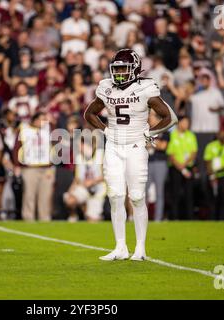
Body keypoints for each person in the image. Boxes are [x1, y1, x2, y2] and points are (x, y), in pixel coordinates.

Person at [84, 49, 177, 261]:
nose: (118, 74)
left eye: (123, 69)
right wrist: (105, 129)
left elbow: (170, 118)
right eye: (116, 69)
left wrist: (150, 132)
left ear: (134, 69)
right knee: (115, 196)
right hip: (114, 146)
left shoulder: (145, 88)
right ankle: (120, 247)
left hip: (135, 145)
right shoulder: (106, 87)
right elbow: (89, 113)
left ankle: (141, 248)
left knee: (136, 196)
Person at [13, 112, 55, 221]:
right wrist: (16, 165)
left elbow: (57, 142)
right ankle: (28, 218)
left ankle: (44, 218)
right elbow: (17, 148)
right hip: (30, 167)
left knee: (45, 196)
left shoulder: (48, 129)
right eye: (41, 119)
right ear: (34, 120)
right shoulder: (24, 130)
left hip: (46, 167)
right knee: (29, 195)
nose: (43, 122)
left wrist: (53, 123)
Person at [166, 116, 198, 220]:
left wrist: (184, 165)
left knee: (189, 194)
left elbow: (194, 152)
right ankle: (174, 217)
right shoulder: (172, 135)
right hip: (175, 168)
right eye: (184, 122)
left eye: (188, 123)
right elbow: (170, 153)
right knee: (175, 193)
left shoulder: (191, 135)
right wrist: (180, 166)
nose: (186, 125)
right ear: (179, 123)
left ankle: (189, 217)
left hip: (187, 167)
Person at [204, 129, 224, 220]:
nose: (222, 136)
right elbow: (207, 160)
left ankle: (223, 220)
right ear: (217, 136)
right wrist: (211, 175)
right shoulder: (211, 146)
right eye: (220, 134)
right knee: (212, 199)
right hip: (212, 176)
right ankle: (212, 219)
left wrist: (217, 171)